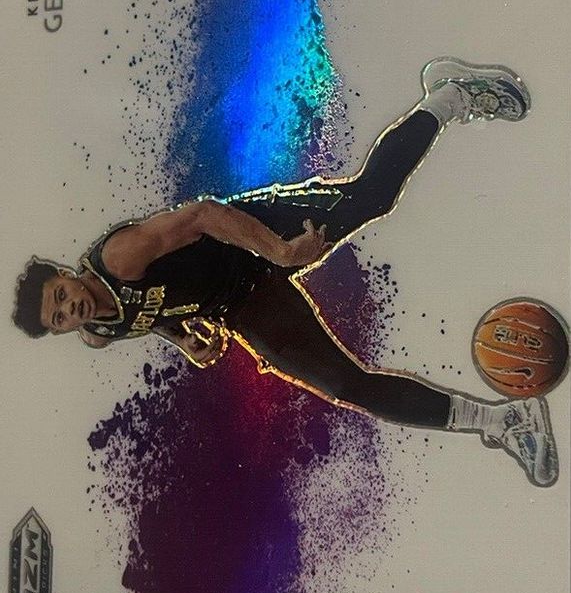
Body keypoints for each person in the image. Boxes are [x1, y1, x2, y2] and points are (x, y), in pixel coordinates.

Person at [13, 58, 558, 487]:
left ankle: (450, 95)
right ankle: (504, 422)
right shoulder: (98, 331)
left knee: (371, 197)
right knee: (346, 385)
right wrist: (183, 338)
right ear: (64, 330)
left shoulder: (119, 258)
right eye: (59, 318)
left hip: (249, 236)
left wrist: (277, 250)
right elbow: (145, 316)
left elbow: (202, 215)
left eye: (59, 295)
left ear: (65, 274)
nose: (68, 309)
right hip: (238, 305)